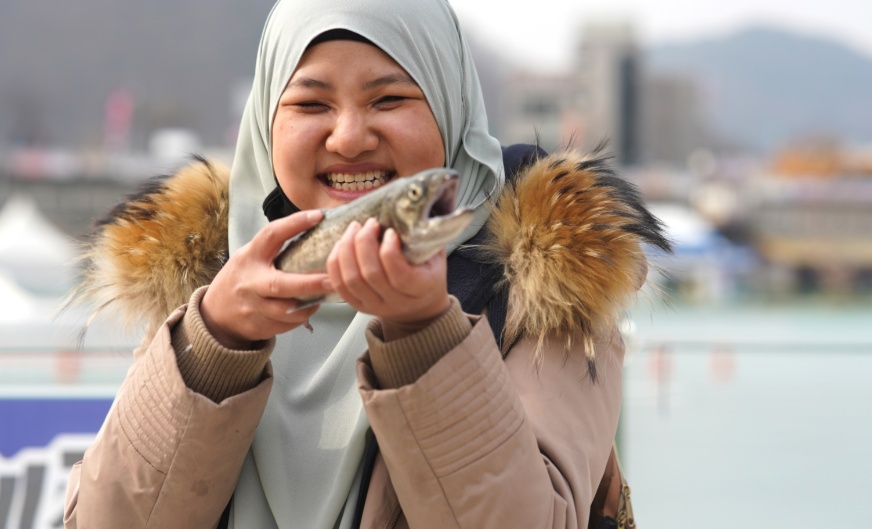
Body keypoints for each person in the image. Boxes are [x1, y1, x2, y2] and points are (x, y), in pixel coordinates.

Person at [64, 0, 668, 527]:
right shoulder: (210, 278)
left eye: (389, 98)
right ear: (265, 124)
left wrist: (424, 335)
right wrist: (215, 341)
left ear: (451, 108)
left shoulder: (542, 285)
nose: (349, 137)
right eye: (310, 103)